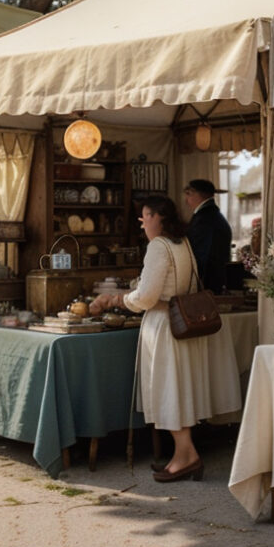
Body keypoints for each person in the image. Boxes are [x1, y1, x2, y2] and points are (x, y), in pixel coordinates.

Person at [90, 196, 241, 483]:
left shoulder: (158, 247)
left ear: (159, 218)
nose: (142, 221)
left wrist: (117, 300)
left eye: (145, 216)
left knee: (169, 391)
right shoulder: (181, 243)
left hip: (164, 326)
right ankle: (184, 455)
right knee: (178, 391)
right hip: (180, 324)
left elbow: (147, 297)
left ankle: (186, 457)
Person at [183, 179, 232, 294]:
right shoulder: (211, 215)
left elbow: (200, 254)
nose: (186, 200)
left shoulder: (204, 219)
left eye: (188, 194)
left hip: (207, 281)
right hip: (215, 279)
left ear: (196, 193)